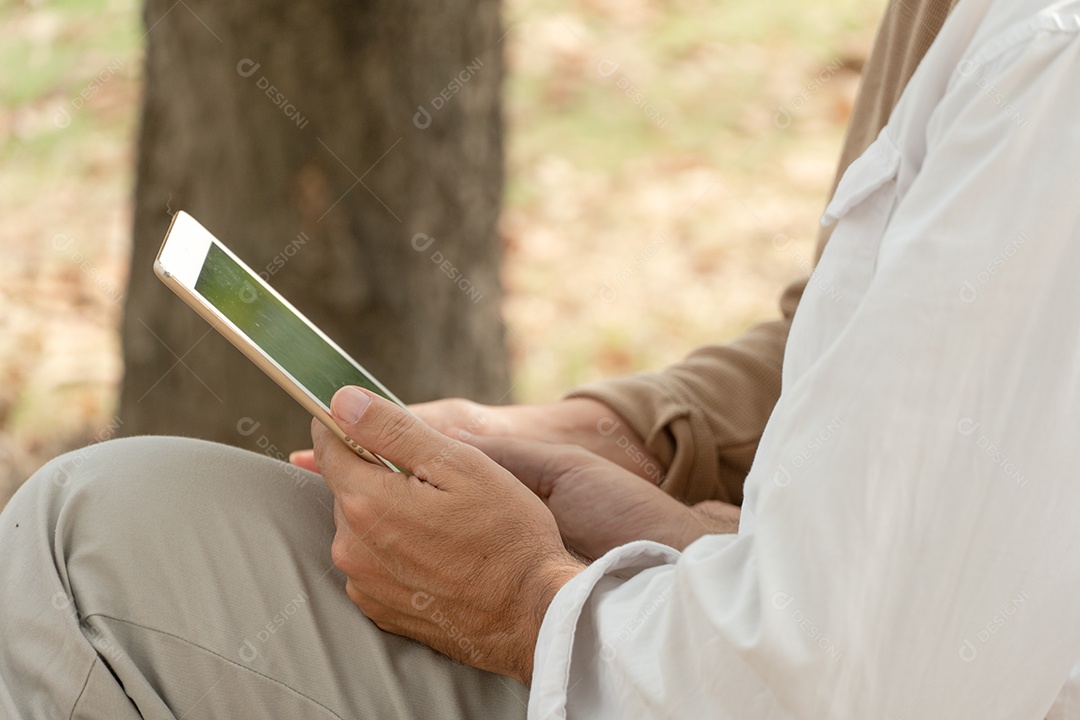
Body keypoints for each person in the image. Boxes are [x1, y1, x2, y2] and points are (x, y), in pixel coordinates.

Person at [3, 0, 1080, 717]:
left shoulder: (1046, 64)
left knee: (89, 557)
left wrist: (530, 599)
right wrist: (627, 449)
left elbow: (864, 686)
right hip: (756, 617)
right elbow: (890, 330)